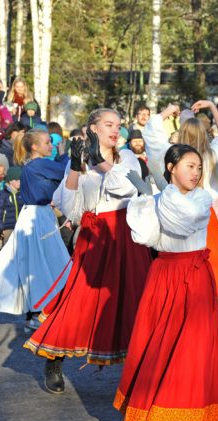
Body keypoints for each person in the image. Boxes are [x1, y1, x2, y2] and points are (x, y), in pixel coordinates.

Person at [24, 108, 153, 394]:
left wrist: (99, 162)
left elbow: (132, 190)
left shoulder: (127, 157)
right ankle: (54, 358)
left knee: (134, 302)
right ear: (93, 128)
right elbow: (70, 207)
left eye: (118, 125)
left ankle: (140, 373)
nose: (115, 130)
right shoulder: (80, 160)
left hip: (128, 235)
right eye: (109, 124)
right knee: (79, 302)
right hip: (96, 237)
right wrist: (74, 166)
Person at [114, 144, 218, 421]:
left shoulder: (201, 201)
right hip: (165, 275)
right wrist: (143, 199)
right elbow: (146, 236)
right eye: (189, 166)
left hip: (195, 279)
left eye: (198, 167)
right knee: (157, 346)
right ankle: (147, 412)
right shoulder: (159, 201)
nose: (196, 172)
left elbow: (184, 219)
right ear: (171, 167)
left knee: (193, 353)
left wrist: (158, 193)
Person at [143, 101, 218, 309]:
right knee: (206, 278)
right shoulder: (213, 154)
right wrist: (213, 107)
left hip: (175, 216)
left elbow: (151, 133)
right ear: (204, 133)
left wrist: (168, 111)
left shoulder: (172, 154)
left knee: (178, 273)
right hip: (207, 221)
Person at [0, 130, 69, 328]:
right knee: (45, 263)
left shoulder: (33, 164)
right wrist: (64, 153)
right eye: (47, 142)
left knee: (35, 264)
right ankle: (40, 312)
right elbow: (65, 171)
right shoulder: (40, 164)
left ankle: (35, 314)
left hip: (35, 215)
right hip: (38, 217)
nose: (51, 145)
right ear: (35, 147)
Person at [0, 166, 22, 250]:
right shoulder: (3, 194)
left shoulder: (21, 194)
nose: (19, 182)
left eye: (20, 179)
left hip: (20, 228)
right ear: (10, 181)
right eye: (16, 180)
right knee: (8, 250)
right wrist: (0, 228)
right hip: (7, 228)